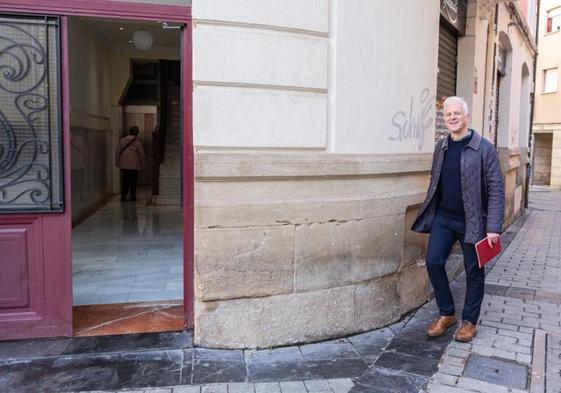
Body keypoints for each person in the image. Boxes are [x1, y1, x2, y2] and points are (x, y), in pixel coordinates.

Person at [412, 96, 504, 343]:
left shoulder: (484, 148)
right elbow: (436, 181)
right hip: (444, 218)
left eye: (457, 113)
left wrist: (493, 226)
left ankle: (469, 321)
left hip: (472, 221)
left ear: (467, 117)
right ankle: (447, 313)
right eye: (448, 114)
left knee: (474, 271)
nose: (452, 117)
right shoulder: (440, 147)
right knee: (433, 262)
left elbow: (496, 187)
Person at [115, 126, 145, 202]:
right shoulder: (137, 142)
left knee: (125, 180)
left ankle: (123, 196)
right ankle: (132, 196)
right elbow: (141, 154)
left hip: (124, 164)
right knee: (133, 181)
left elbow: (117, 152)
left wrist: (117, 161)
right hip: (134, 165)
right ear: (137, 133)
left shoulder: (122, 140)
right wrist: (143, 164)